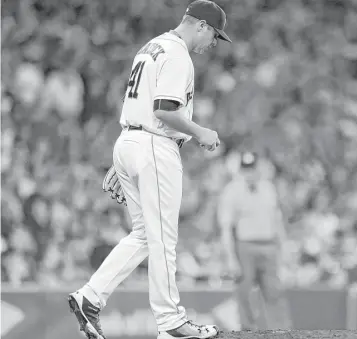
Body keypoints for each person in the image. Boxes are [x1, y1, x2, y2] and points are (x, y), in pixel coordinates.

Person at [67, 1, 231, 339]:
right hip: (153, 145)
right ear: (200, 25)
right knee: (163, 238)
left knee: (144, 234)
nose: (213, 43)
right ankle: (171, 322)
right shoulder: (177, 54)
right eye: (214, 35)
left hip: (131, 141)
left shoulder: (151, 47)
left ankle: (90, 297)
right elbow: (164, 109)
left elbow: (143, 106)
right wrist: (201, 132)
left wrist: (126, 156)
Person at [217, 151, 292, 331]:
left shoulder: (268, 188)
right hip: (245, 247)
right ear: (241, 170)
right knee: (244, 293)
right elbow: (226, 228)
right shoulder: (232, 191)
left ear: (258, 168)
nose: (249, 173)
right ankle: (248, 331)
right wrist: (230, 258)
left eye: (252, 168)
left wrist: (285, 247)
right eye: (246, 169)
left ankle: (282, 332)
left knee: (274, 292)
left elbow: (277, 221)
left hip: (269, 245)